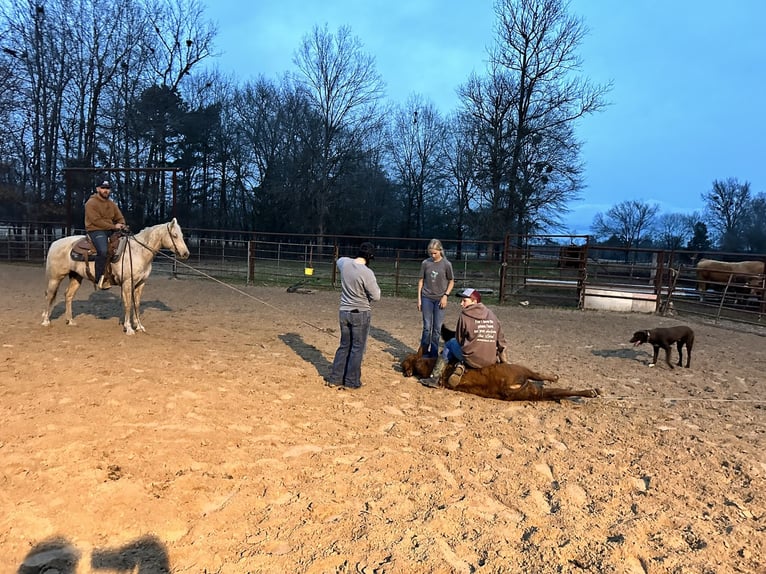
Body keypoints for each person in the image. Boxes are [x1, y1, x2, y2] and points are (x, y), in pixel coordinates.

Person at [420, 287, 509, 388]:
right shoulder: (492, 315)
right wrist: (504, 363)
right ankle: (461, 364)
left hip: (472, 359)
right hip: (490, 360)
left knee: (450, 344)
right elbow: (502, 343)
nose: (461, 304)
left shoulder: (465, 315)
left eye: (464, 301)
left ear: (474, 301)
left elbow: (459, 339)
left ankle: (435, 378)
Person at [326, 242, 381, 389]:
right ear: (369, 257)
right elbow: (376, 296)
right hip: (360, 312)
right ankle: (351, 381)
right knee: (357, 348)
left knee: (344, 345)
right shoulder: (367, 273)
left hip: (344, 311)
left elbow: (338, 260)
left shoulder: (345, 263)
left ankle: (335, 378)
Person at [84, 180, 126, 289]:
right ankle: (99, 278)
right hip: (95, 229)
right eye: (103, 188)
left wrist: (122, 224)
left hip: (109, 229)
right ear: (98, 189)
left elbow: (119, 217)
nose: (106, 190)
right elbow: (95, 221)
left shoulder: (111, 204)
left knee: (126, 244)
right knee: (103, 251)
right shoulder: (91, 203)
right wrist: (113, 226)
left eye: (107, 188)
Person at [417, 239, 455, 357]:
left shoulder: (446, 264)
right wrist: (419, 299)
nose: (433, 255)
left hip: (440, 299)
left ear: (440, 251)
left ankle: (433, 353)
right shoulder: (425, 263)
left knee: (437, 328)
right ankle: (423, 351)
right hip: (426, 297)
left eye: (435, 253)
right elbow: (421, 281)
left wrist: (445, 295)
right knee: (427, 327)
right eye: (431, 253)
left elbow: (451, 281)